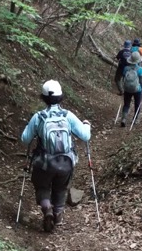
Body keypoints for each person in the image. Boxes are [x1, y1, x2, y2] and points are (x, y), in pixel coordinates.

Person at [20, 80, 91, 232]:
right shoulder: (68, 116)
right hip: (66, 162)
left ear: (43, 98)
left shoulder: (39, 117)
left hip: (44, 163)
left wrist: (30, 127)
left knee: (42, 185)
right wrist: (87, 125)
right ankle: (58, 216)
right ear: (61, 97)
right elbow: (85, 136)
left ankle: (47, 208)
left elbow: (25, 138)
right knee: (60, 188)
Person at [119, 51, 142, 127]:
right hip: (137, 89)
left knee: (126, 104)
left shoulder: (126, 68)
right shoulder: (140, 69)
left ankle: (123, 118)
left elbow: (123, 78)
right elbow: (141, 82)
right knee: (137, 104)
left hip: (127, 89)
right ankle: (135, 119)